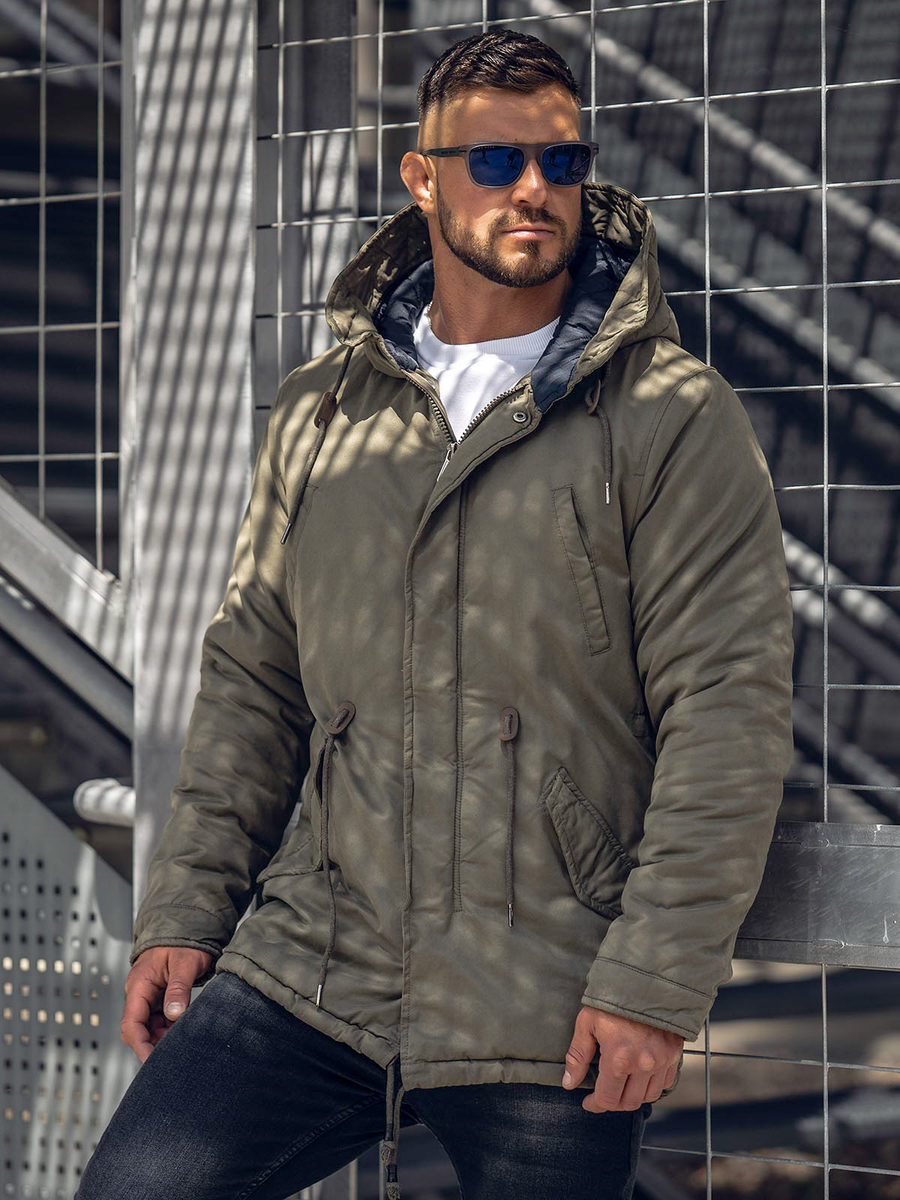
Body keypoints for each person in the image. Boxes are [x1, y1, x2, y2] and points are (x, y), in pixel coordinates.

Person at [78, 27, 794, 1200]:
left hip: (548, 993)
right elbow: (255, 677)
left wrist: (652, 983)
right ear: (422, 176)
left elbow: (728, 708)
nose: (534, 190)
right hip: (315, 962)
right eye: (496, 161)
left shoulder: (671, 414)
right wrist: (187, 909)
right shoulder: (325, 411)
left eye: (562, 163)